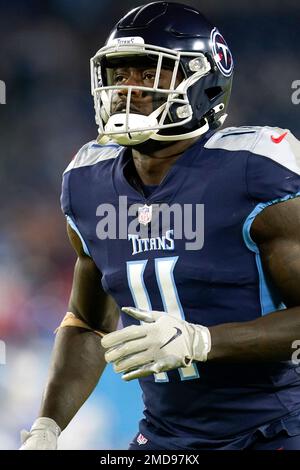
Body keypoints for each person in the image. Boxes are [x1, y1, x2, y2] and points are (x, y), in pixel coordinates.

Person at [20, 1, 300, 450]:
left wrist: (203, 342)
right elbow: (89, 324)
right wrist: (47, 427)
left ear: (205, 84)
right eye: (120, 75)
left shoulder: (254, 169)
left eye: (150, 75)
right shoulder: (87, 180)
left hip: (275, 429)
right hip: (165, 437)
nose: (129, 90)